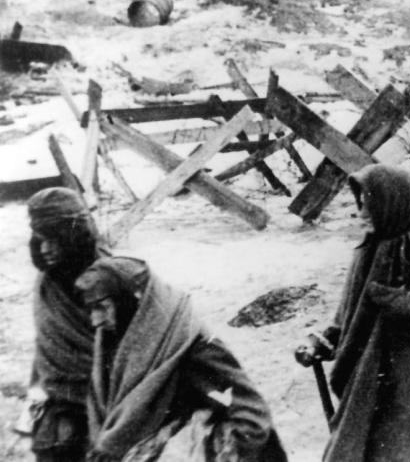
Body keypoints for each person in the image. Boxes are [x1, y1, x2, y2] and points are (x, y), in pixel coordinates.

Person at [295, 164, 410, 461]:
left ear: (392, 202)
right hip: (368, 379)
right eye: (360, 203)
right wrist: (323, 341)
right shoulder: (368, 247)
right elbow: (348, 315)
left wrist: (407, 306)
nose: (361, 212)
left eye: (368, 203)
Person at [75, 256, 286, 462]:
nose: (95, 320)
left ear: (129, 302)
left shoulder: (189, 346)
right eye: (91, 310)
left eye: (102, 307)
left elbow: (251, 417)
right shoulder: (115, 344)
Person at [26, 187, 107, 462]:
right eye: (40, 239)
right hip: (56, 409)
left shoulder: (112, 279)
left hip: (107, 411)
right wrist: (32, 407)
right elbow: (45, 349)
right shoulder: (48, 284)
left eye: (55, 239)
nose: (46, 249)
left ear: (74, 236)